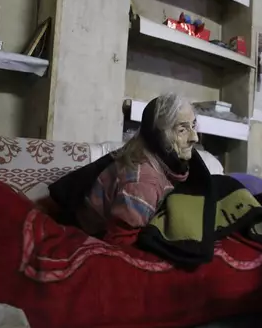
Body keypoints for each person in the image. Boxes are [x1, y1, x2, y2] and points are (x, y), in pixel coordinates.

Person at [75, 93, 199, 246]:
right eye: (182, 130)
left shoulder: (166, 162)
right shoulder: (143, 183)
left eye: (193, 126)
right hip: (93, 236)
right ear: (160, 136)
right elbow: (120, 243)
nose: (195, 137)